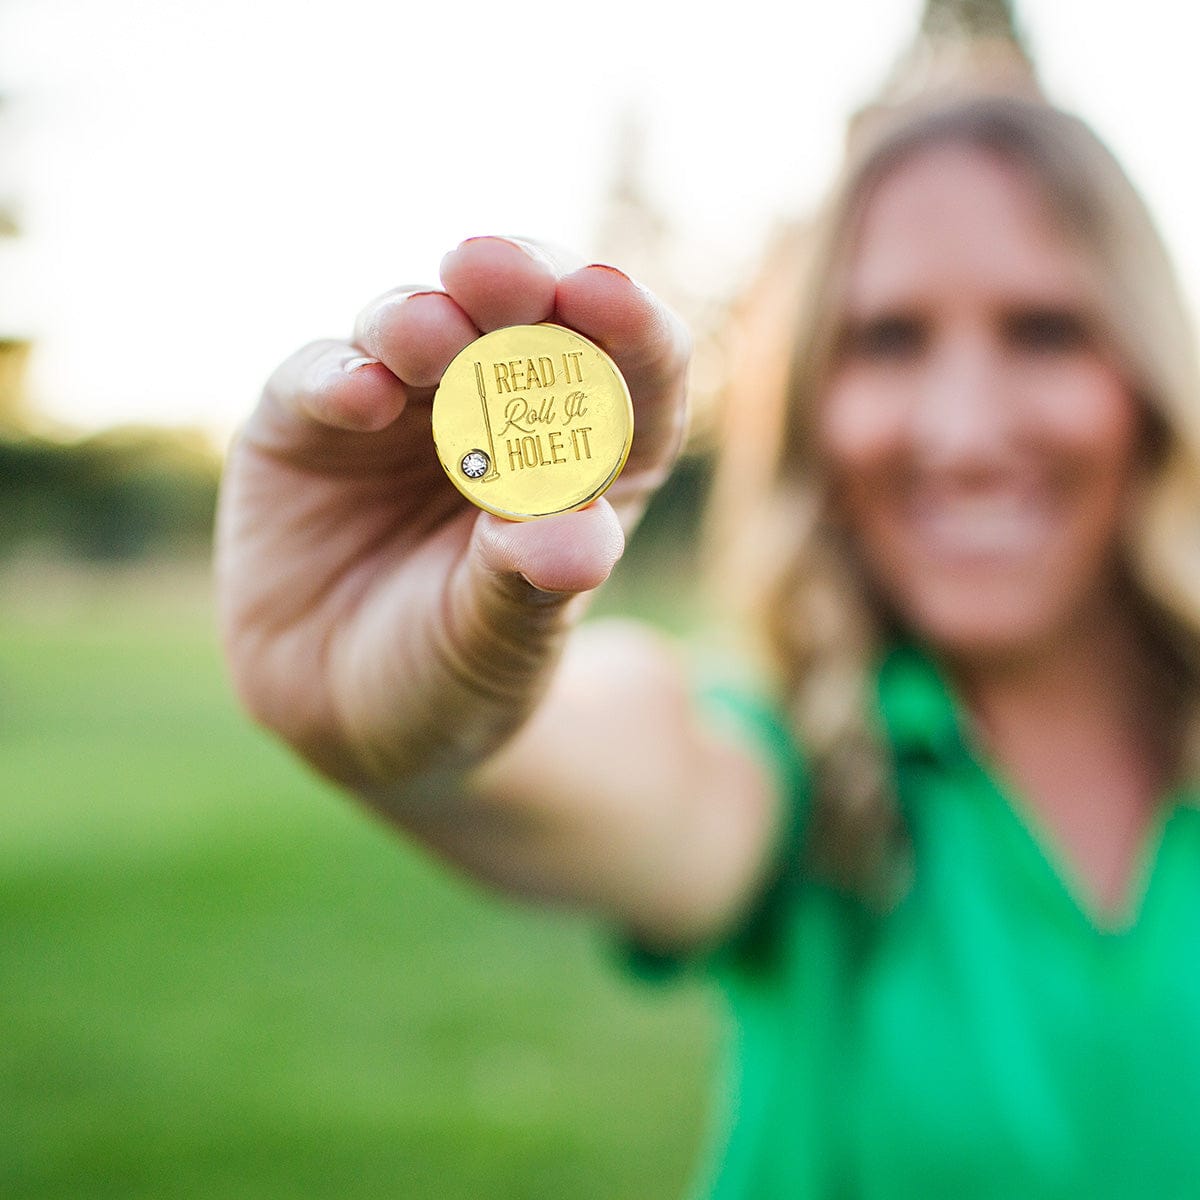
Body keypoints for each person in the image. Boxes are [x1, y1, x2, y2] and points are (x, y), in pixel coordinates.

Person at [215, 92, 1200, 1198]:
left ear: (1151, 377)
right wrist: (435, 723)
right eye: (888, 339)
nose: (964, 434)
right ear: (813, 409)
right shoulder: (797, 759)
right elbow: (637, 762)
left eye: (1045, 331)